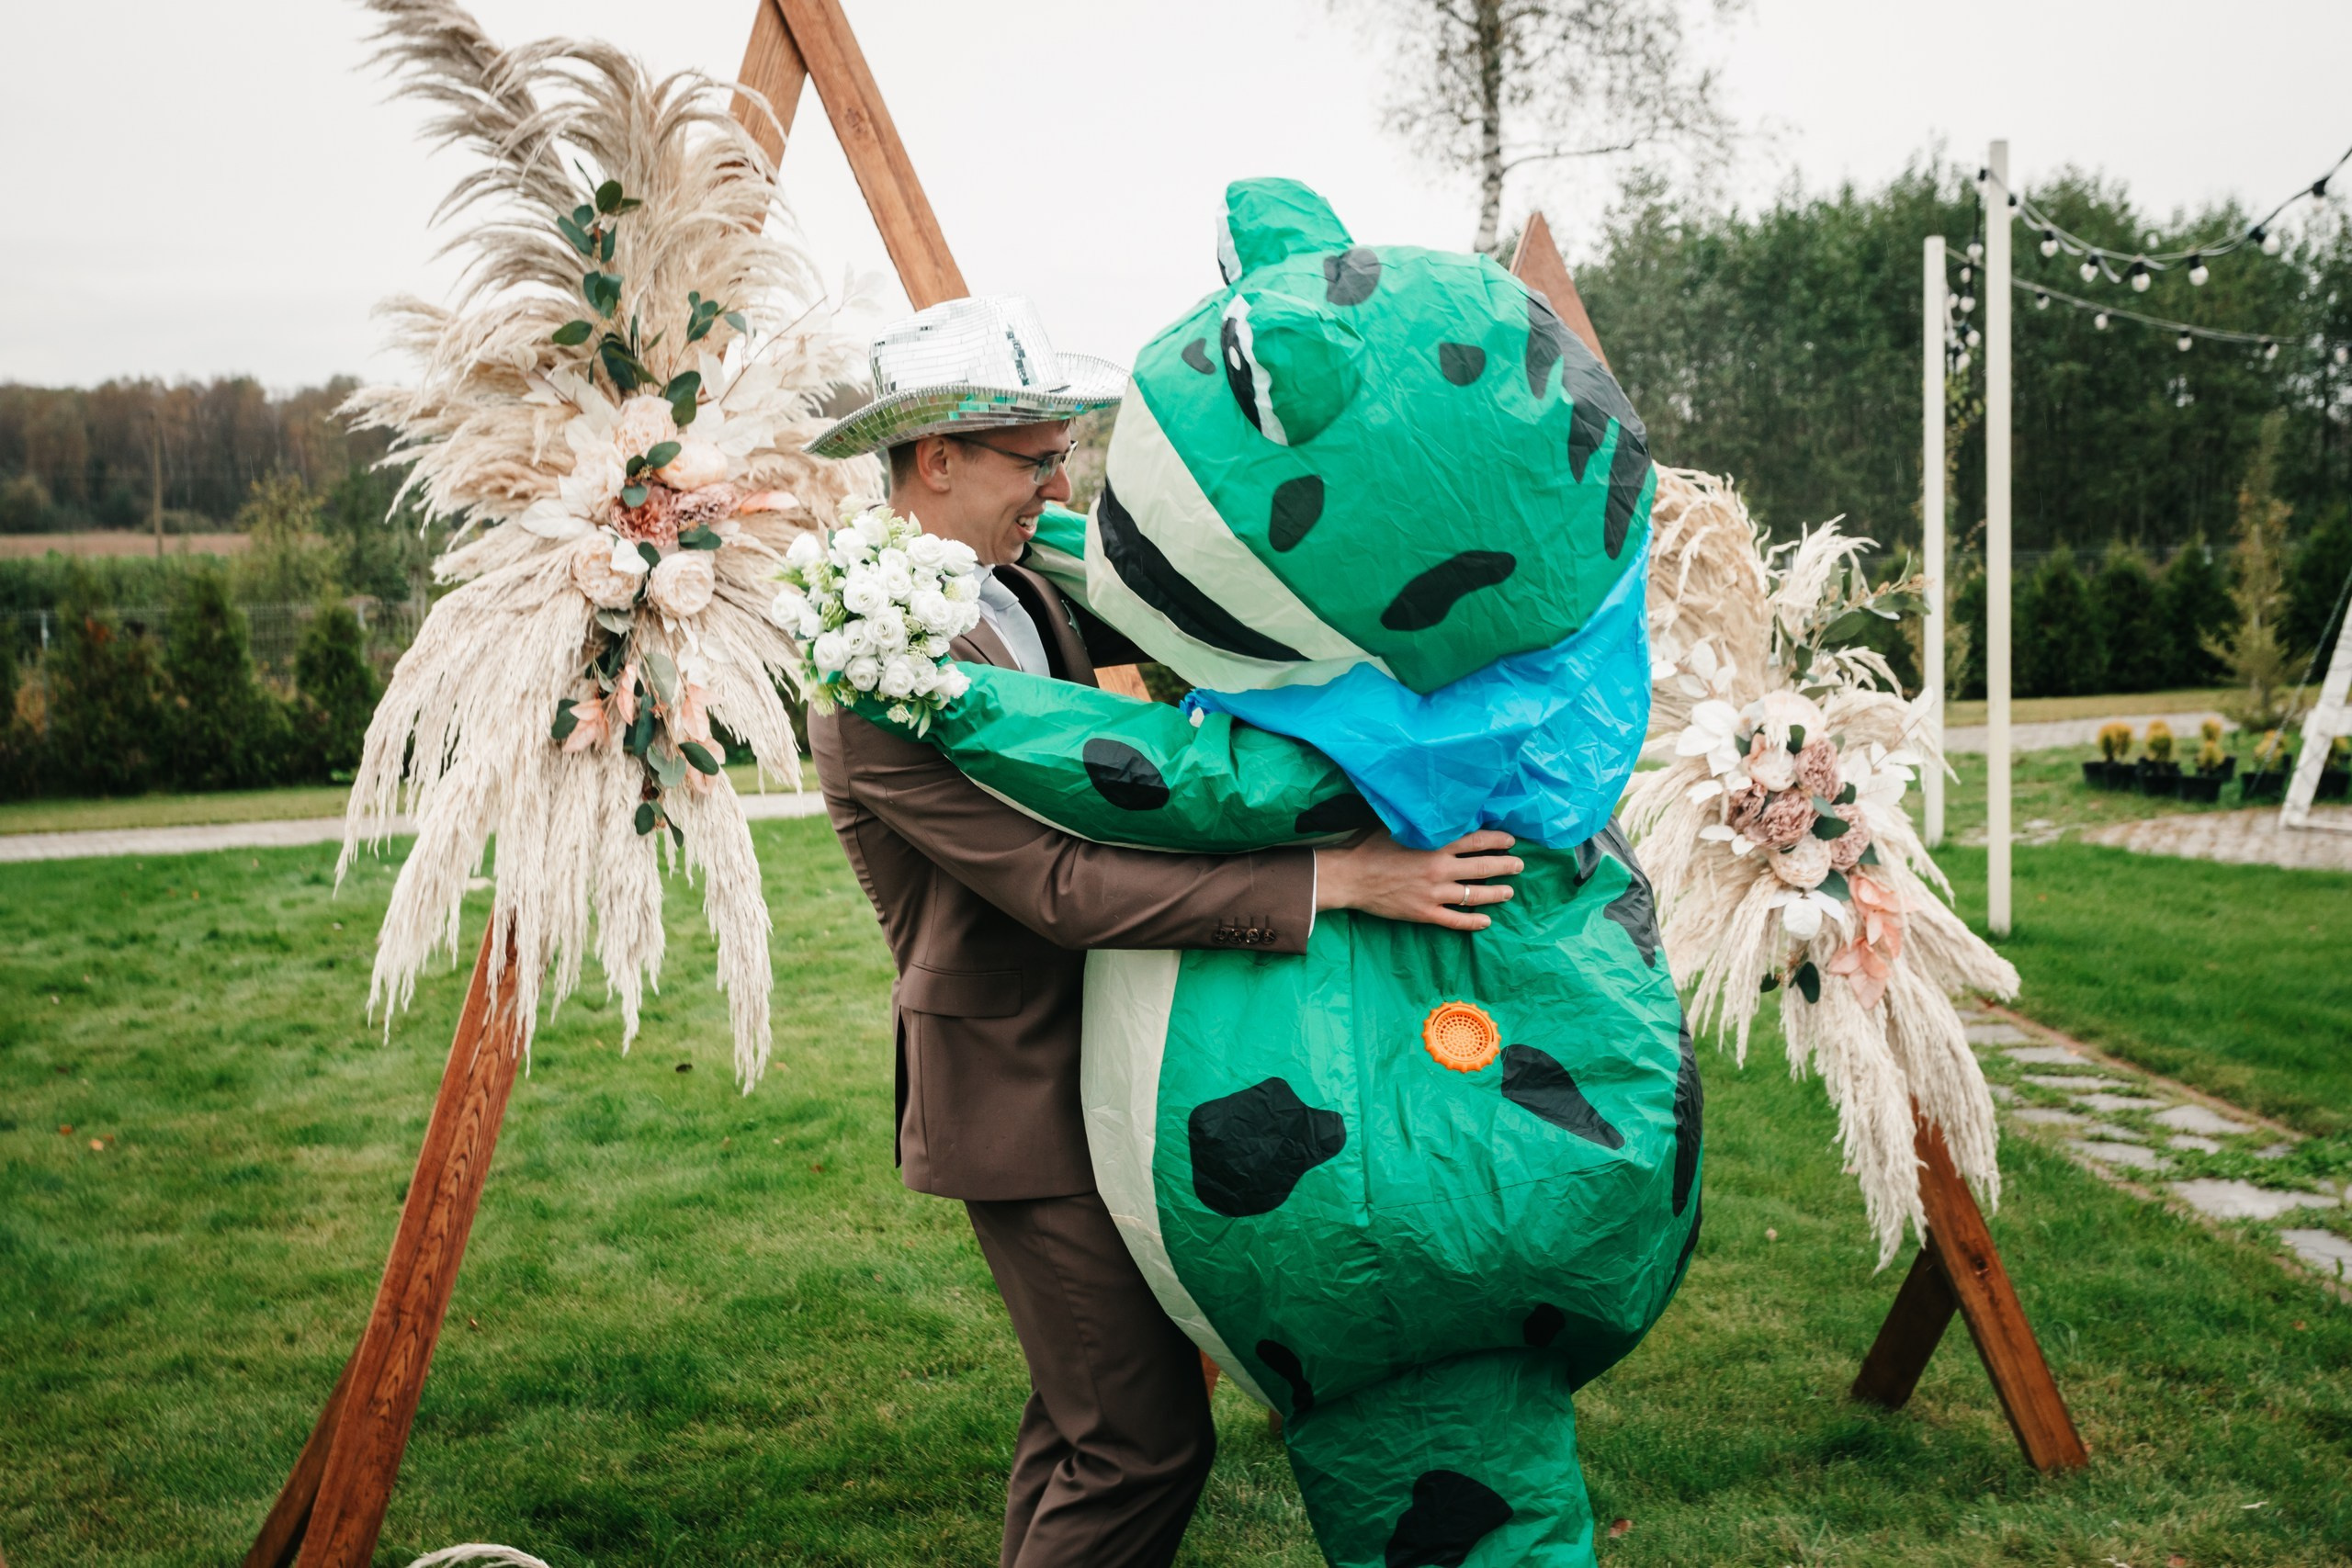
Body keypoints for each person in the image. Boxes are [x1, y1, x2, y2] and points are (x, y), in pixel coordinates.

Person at [802, 296, 1521, 1568]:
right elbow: (1064, 885)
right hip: (1019, 1093)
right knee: (1140, 1443)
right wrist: (1335, 884)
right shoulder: (877, 670)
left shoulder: (1021, 589)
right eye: (1036, 458)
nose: (1059, 482)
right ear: (937, 459)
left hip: (1117, 1064)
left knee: (1086, 1420)